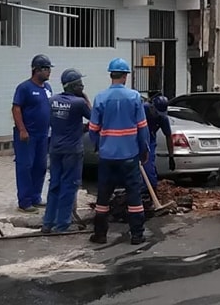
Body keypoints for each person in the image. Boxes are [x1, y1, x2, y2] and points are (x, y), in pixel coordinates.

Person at [88, 58, 150, 245]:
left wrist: (99, 145)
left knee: (103, 196)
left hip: (107, 156)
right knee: (134, 195)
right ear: (125, 76)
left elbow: (92, 129)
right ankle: (137, 235)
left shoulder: (100, 97)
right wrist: (144, 149)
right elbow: (142, 128)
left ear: (111, 75)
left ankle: (100, 234)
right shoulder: (134, 97)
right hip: (129, 155)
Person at [42, 68, 92, 233]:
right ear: (75, 86)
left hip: (55, 148)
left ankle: (48, 222)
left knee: (54, 184)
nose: (83, 86)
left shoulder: (52, 101)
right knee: (69, 186)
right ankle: (62, 224)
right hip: (72, 150)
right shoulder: (78, 103)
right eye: (80, 84)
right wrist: (85, 98)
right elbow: (93, 117)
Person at [12, 54, 54, 213]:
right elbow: (16, 109)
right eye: (46, 69)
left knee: (40, 166)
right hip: (27, 136)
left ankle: (36, 197)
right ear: (37, 70)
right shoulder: (24, 88)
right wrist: (22, 129)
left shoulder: (48, 88)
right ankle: (25, 201)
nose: (49, 72)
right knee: (25, 167)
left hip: (44, 135)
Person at [142, 94, 175, 196]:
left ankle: (151, 191)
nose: (157, 115)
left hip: (150, 140)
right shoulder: (143, 109)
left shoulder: (163, 118)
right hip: (137, 138)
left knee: (148, 165)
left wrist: (171, 156)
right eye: (156, 112)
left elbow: (168, 136)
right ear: (152, 106)